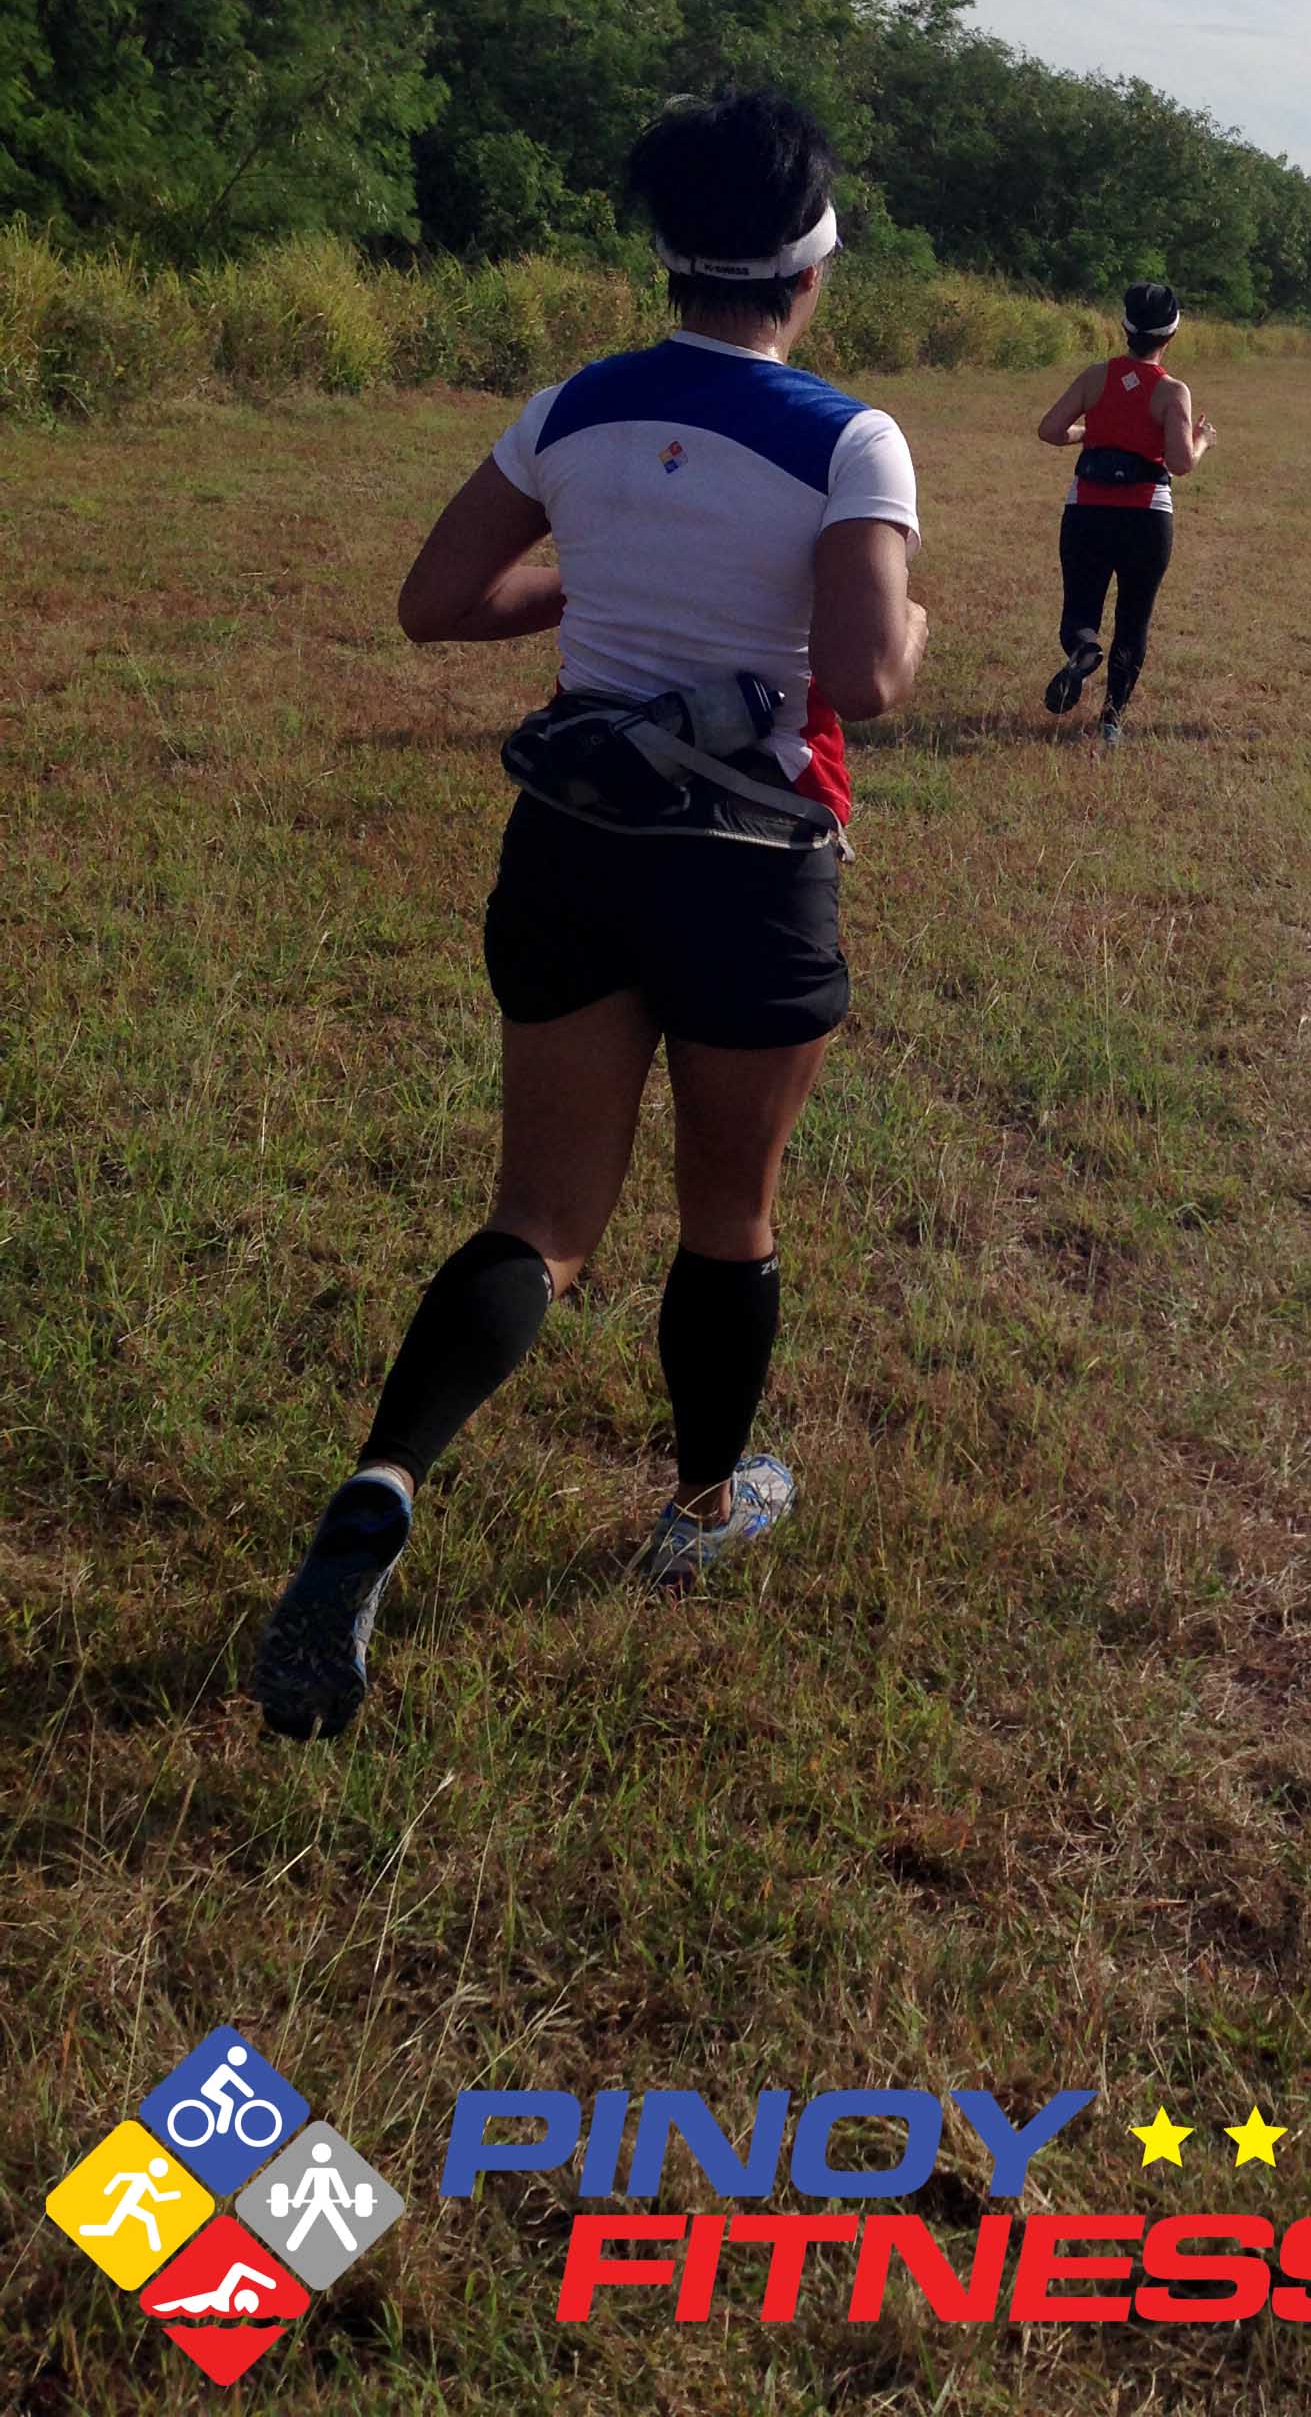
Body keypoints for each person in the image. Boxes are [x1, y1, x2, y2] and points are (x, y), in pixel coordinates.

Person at [253, 90, 927, 1741]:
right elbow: (863, 676)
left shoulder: (572, 410)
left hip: (567, 839)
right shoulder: (849, 436)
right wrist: (891, 600)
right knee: (724, 1214)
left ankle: (385, 1477)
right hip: (748, 868)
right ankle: (704, 1495)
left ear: (670, 249)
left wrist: (603, 583)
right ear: (812, 263)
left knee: (541, 1220)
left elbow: (437, 604)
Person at [1034, 282, 1214, 745]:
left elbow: (1050, 430)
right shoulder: (1173, 391)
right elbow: (1180, 463)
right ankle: (1111, 719)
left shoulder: (1095, 377)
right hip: (1146, 516)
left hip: (1087, 509)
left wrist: (1089, 432)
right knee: (1135, 617)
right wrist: (1203, 441)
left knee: (1080, 605)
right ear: (1170, 336)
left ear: (1124, 328)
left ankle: (1083, 647)